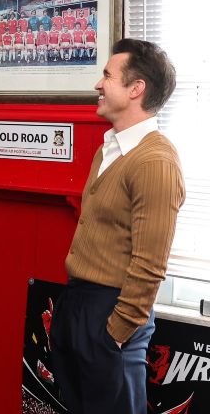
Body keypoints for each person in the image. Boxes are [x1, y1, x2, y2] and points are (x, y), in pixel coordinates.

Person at [51, 39, 185, 414]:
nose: (98, 84)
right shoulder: (109, 148)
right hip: (79, 306)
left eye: (107, 76)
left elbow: (150, 265)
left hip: (112, 317)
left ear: (135, 89)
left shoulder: (155, 162)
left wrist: (115, 334)